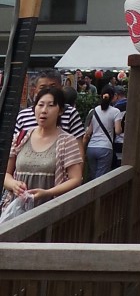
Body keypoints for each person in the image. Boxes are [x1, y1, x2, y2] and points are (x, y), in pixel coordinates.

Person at [2, 86, 83, 214]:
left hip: (50, 212)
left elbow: (76, 179)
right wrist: (13, 185)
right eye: (40, 105)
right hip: (17, 211)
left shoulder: (67, 141)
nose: (44, 110)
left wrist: (48, 193)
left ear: (60, 111)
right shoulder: (21, 137)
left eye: (51, 105)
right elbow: (5, 173)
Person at [14, 70, 85, 149]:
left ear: (61, 88)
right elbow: (13, 148)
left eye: (53, 87)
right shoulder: (23, 116)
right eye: (42, 87)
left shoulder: (70, 113)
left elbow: (78, 148)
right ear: (35, 89)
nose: (48, 91)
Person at [83, 91, 122, 178]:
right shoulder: (116, 111)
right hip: (105, 148)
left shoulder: (94, 110)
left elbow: (89, 131)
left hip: (91, 148)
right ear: (113, 98)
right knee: (100, 179)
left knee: (92, 177)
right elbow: (118, 131)